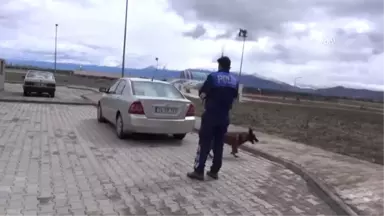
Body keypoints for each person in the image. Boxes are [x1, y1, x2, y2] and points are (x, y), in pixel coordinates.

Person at [187, 56, 239, 181]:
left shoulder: (213, 77)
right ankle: (214, 171)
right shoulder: (234, 80)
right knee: (219, 144)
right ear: (229, 66)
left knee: (204, 142)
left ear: (219, 65)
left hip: (211, 115)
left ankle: (199, 171)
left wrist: (205, 99)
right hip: (224, 116)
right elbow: (235, 97)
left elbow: (202, 93)